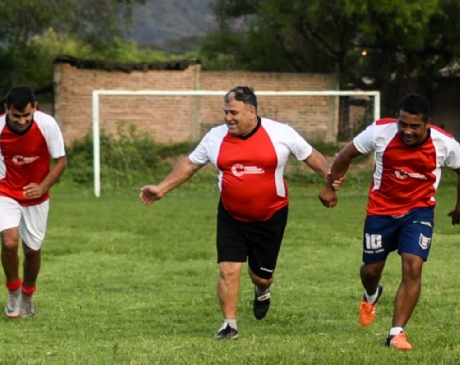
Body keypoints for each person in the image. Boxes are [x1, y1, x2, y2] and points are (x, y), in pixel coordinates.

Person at [141, 87, 332, 339]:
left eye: (233, 113)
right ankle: (229, 326)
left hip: (271, 216)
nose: (228, 118)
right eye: (226, 112)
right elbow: (190, 164)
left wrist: (330, 183)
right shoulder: (215, 137)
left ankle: (262, 290)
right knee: (228, 269)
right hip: (231, 215)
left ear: (252, 111)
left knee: (261, 276)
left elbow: (311, 155)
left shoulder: (280, 133)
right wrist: (161, 188)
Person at [319, 94, 460, 351]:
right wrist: (330, 187)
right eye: (403, 124)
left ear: (428, 124)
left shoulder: (444, 143)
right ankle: (372, 294)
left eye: (415, 126)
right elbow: (347, 154)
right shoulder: (380, 132)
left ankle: (396, 333)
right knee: (371, 271)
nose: (407, 131)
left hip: (418, 212)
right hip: (380, 211)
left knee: (413, 266)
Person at [0, 85, 67, 319]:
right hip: (4, 191)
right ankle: (13, 291)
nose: (22, 121)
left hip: (36, 195)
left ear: (35, 108)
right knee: (10, 242)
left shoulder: (47, 125)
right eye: (16, 116)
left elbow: (61, 162)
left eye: (26, 115)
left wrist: (42, 187)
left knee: (32, 251)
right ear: (6, 110)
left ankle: (27, 296)